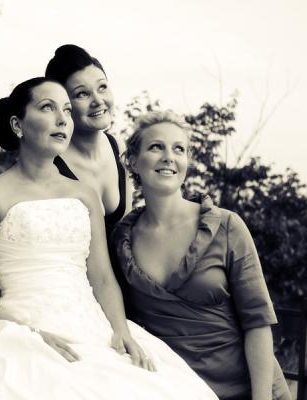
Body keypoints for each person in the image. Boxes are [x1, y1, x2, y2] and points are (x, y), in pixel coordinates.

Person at [0, 78, 217, 399]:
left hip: (93, 326)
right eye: (48, 108)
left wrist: (121, 329)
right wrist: (27, 333)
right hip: (22, 326)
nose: (62, 120)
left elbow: (101, 277)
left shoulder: (84, 194)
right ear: (18, 125)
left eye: (67, 110)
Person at [111, 110, 291, 400]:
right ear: (132, 160)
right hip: (173, 389)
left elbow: (257, 324)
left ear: (188, 161)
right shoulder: (121, 241)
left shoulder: (228, 226)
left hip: (248, 387)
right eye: (156, 147)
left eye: (179, 149)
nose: (169, 157)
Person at [45, 44, 131, 238]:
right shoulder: (50, 164)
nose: (98, 101)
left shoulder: (118, 148)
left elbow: (125, 232)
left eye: (102, 87)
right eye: (82, 94)